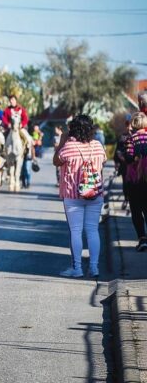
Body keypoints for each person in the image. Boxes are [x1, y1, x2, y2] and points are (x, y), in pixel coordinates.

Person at [53, 114, 107, 277]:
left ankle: (77, 269)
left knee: (75, 231)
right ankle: (94, 267)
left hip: (73, 195)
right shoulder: (97, 146)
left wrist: (62, 141)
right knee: (92, 230)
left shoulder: (68, 147)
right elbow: (103, 162)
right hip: (95, 194)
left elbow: (56, 161)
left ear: (73, 130)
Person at [125, 113, 147, 251]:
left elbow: (128, 157)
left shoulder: (131, 139)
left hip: (136, 180)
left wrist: (135, 159)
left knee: (136, 210)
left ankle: (142, 239)